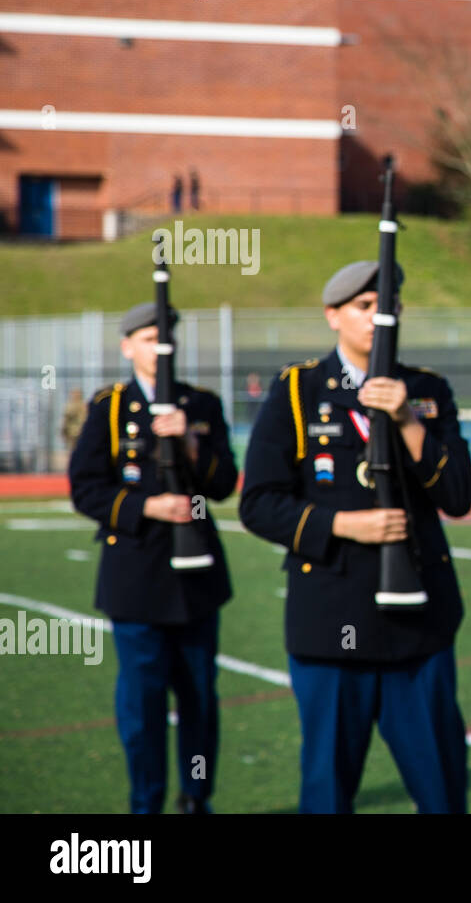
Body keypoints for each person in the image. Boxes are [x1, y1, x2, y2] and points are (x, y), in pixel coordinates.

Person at [238, 260, 471, 813]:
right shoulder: (297, 390)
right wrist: (344, 526)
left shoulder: (428, 391)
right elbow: (259, 504)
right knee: (327, 790)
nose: (378, 317)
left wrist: (409, 420)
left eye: (387, 306)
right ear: (332, 316)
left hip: (419, 627)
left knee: (442, 790)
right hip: (331, 625)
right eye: (363, 307)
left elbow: (458, 497)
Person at [68, 302, 238, 814]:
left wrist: (188, 442)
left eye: (167, 340)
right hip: (136, 579)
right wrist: (149, 507)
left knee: (200, 702)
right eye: (147, 339)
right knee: (142, 707)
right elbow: (86, 489)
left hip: (196, 582)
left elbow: (225, 484)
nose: (160, 349)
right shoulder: (110, 408)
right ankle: (146, 805)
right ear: (127, 347)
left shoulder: (201, 406)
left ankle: (195, 798)